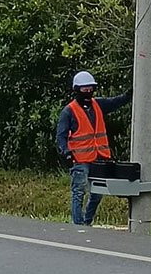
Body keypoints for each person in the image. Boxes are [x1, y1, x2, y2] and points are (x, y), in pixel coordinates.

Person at [56, 70, 131, 226]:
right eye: (85, 89)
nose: (89, 91)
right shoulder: (68, 111)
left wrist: (130, 93)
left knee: (97, 194)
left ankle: (87, 222)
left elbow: (117, 101)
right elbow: (61, 136)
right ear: (77, 90)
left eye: (91, 88)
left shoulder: (98, 105)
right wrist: (66, 153)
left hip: (98, 157)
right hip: (79, 160)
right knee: (78, 192)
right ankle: (78, 224)